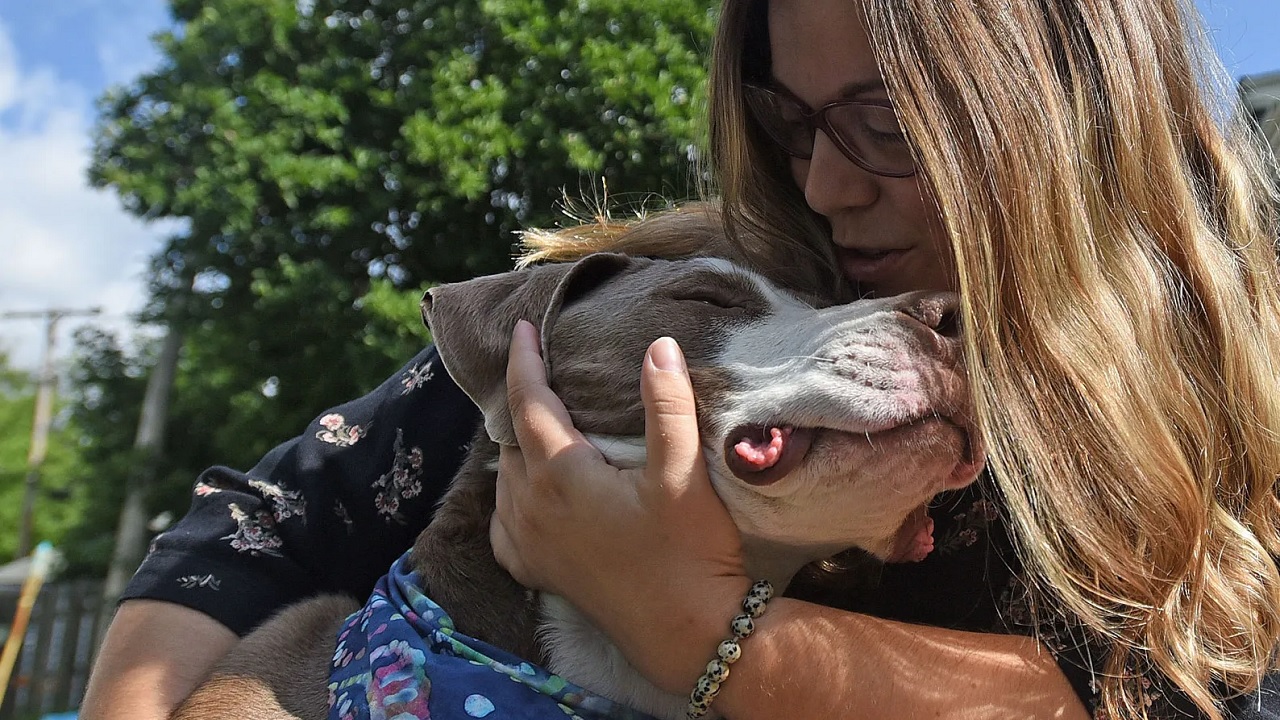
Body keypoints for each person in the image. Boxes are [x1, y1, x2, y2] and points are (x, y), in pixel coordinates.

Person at [80, 0, 1280, 718]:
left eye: (889, 124)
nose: (822, 184)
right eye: (790, 123)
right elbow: (274, 512)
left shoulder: (1225, 402)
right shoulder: (715, 298)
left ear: (1063, 118)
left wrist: (687, 620)